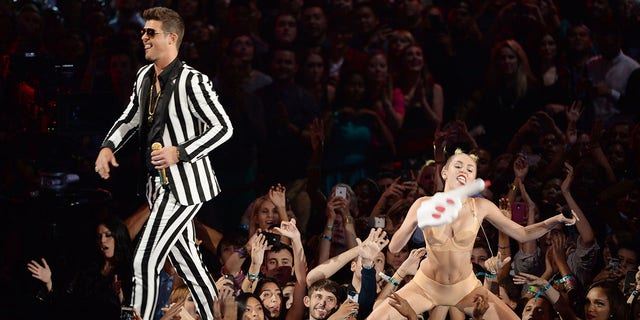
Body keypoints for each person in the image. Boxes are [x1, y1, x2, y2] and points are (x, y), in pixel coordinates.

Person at [94, 7, 233, 320]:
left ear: (172, 38)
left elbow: (223, 127)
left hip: (185, 186)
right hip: (158, 185)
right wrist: (107, 146)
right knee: (189, 264)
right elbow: (130, 118)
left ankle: (134, 317)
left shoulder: (193, 81)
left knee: (145, 258)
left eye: (150, 32)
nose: (143, 37)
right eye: (143, 31)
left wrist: (180, 152)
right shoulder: (144, 76)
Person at [366, 149, 576, 319]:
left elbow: (522, 234)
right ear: (445, 172)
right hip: (426, 284)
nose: (464, 170)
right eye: (458, 165)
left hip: (466, 287)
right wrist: (415, 222)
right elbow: (394, 247)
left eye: (470, 168)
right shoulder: (423, 204)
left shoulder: (481, 206)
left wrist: (555, 220)